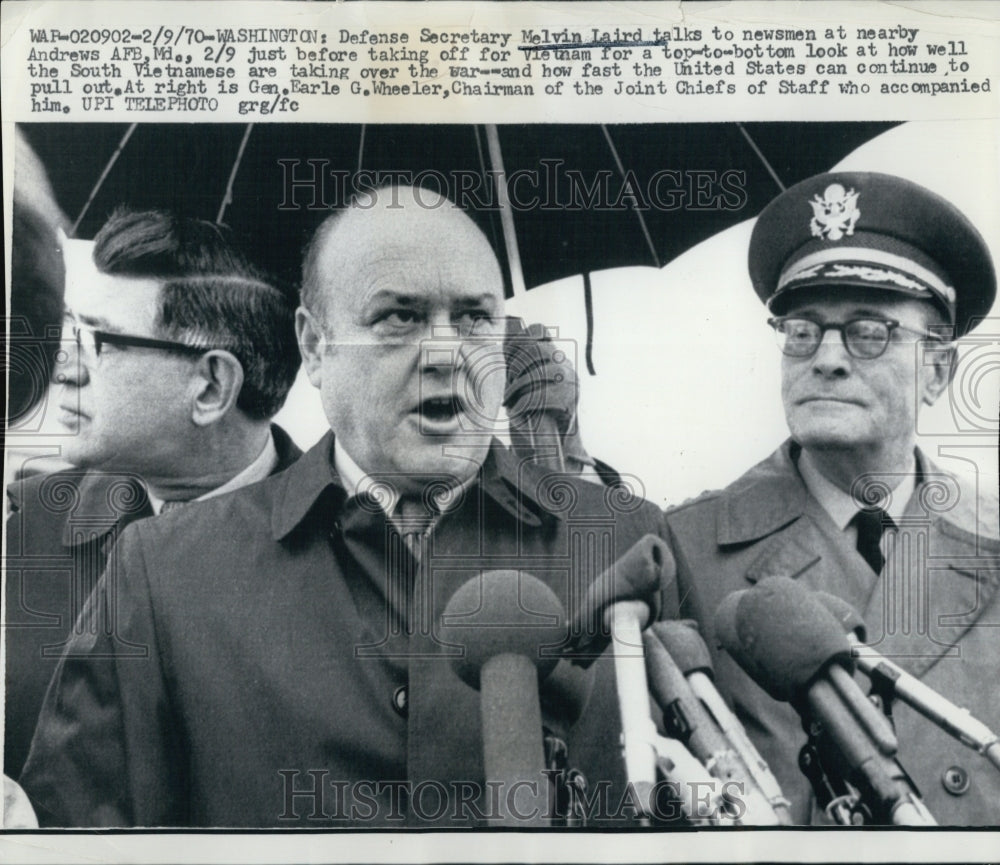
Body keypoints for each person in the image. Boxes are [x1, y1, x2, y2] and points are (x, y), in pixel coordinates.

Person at [19, 186, 674, 828]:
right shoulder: (161, 572)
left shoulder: (626, 540)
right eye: (400, 317)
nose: (446, 356)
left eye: (474, 316)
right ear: (313, 346)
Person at [665, 172, 1000, 825]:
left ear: (937, 370)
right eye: (803, 330)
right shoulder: (687, 548)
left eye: (869, 330)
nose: (826, 357)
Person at [5, 209, 302, 781]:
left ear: (212, 386)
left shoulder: (364, 550)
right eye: (69, 329)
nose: (63, 366)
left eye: (100, 342)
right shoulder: (19, 535)